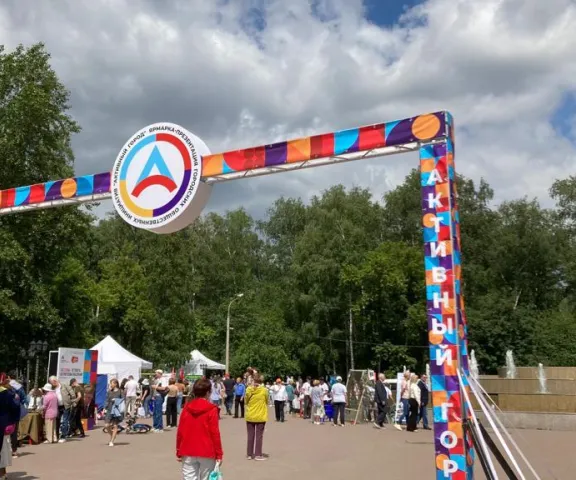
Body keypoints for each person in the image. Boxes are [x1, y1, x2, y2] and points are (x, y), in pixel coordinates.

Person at [176, 378, 223, 480]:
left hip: (187, 449)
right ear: (208, 392)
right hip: (207, 450)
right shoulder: (212, 409)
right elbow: (215, 433)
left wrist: (178, 450)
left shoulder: (186, 408)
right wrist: (219, 454)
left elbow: (180, 431)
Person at [0, 373, 20, 480]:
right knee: (3, 450)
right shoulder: (7, 393)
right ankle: (2, 474)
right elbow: (15, 408)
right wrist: (13, 420)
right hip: (4, 425)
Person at [245, 374, 268, 461]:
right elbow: (267, 401)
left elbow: (246, 401)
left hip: (250, 415)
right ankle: (258, 454)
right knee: (259, 436)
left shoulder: (248, 390)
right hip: (260, 415)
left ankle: (249, 454)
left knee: (250, 435)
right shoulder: (264, 390)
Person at [105, 379, 124, 447]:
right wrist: (104, 408)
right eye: (110, 383)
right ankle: (112, 435)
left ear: (116, 384)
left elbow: (123, 399)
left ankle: (112, 441)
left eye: (112, 383)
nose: (111, 385)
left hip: (117, 410)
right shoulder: (109, 391)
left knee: (115, 425)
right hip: (110, 410)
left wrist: (116, 400)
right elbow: (107, 400)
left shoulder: (120, 391)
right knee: (107, 425)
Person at [58, 377, 77, 442]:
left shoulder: (64, 385)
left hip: (66, 405)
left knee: (65, 421)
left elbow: (72, 394)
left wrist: (71, 401)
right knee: (58, 420)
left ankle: (63, 436)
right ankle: (57, 435)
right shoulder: (54, 388)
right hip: (57, 406)